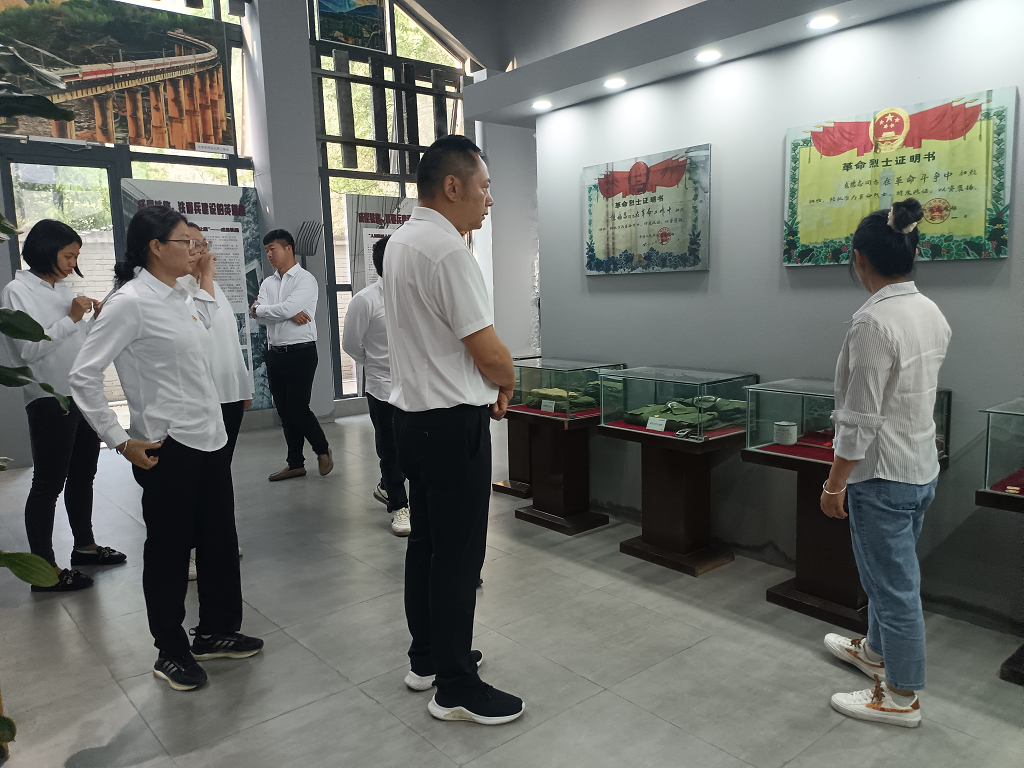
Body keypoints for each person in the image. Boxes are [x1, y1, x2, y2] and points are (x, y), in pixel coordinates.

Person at [69, 206, 263, 692]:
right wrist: (119, 439)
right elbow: (83, 376)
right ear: (156, 247)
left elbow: (206, 342)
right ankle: (170, 650)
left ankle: (215, 631)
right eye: (186, 242)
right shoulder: (130, 302)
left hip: (210, 437)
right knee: (170, 551)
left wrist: (204, 277)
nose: (194, 250)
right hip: (167, 445)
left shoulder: (183, 294)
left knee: (219, 542)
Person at [384, 135, 523, 725]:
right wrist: (509, 381)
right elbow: (487, 351)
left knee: (427, 545)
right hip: (450, 424)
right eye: (484, 186)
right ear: (452, 186)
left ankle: (428, 658)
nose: (489, 199)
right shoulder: (446, 251)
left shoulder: (401, 241)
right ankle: (456, 687)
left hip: (413, 420)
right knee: (459, 557)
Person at [820, 198, 951, 728]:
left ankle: (900, 697)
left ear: (859, 259)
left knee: (894, 589)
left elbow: (860, 418)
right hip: (919, 466)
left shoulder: (873, 321)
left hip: (882, 476)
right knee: (888, 576)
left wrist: (834, 484)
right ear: (912, 253)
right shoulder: (930, 311)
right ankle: (875, 651)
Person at [1, 219, 126, 592]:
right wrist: (72, 317)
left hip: (79, 395)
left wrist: (93, 322)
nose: (74, 264)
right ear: (45, 250)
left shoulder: (61, 289)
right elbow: (29, 349)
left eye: (76, 256)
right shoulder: (17, 291)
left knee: (84, 474)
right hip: (49, 397)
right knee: (48, 483)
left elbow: (74, 341)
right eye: (68, 256)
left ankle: (84, 547)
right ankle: (44, 570)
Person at [185, 223, 252, 581]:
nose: (201, 251)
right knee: (198, 478)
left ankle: (219, 540)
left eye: (203, 244)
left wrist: (243, 385)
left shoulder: (214, 287)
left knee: (219, 474)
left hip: (228, 393)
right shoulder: (181, 291)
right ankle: (191, 549)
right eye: (192, 244)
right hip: (202, 397)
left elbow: (229, 340)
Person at [341, 235, 410, 536]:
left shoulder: (414, 295)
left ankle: (387, 485)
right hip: (382, 386)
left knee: (412, 446)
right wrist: (374, 363)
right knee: (389, 447)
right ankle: (399, 506)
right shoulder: (365, 300)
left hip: (413, 384)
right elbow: (350, 344)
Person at [250, 229, 332, 481]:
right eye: (266, 250)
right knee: (285, 412)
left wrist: (268, 310)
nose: (269, 254)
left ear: (288, 249)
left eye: (272, 248)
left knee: (297, 407)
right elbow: (258, 316)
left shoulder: (305, 279)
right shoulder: (268, 283)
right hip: (275, 354)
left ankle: (322, 449)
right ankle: (295, 463)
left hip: (301, 352)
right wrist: (283, 312)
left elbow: (271, 310)